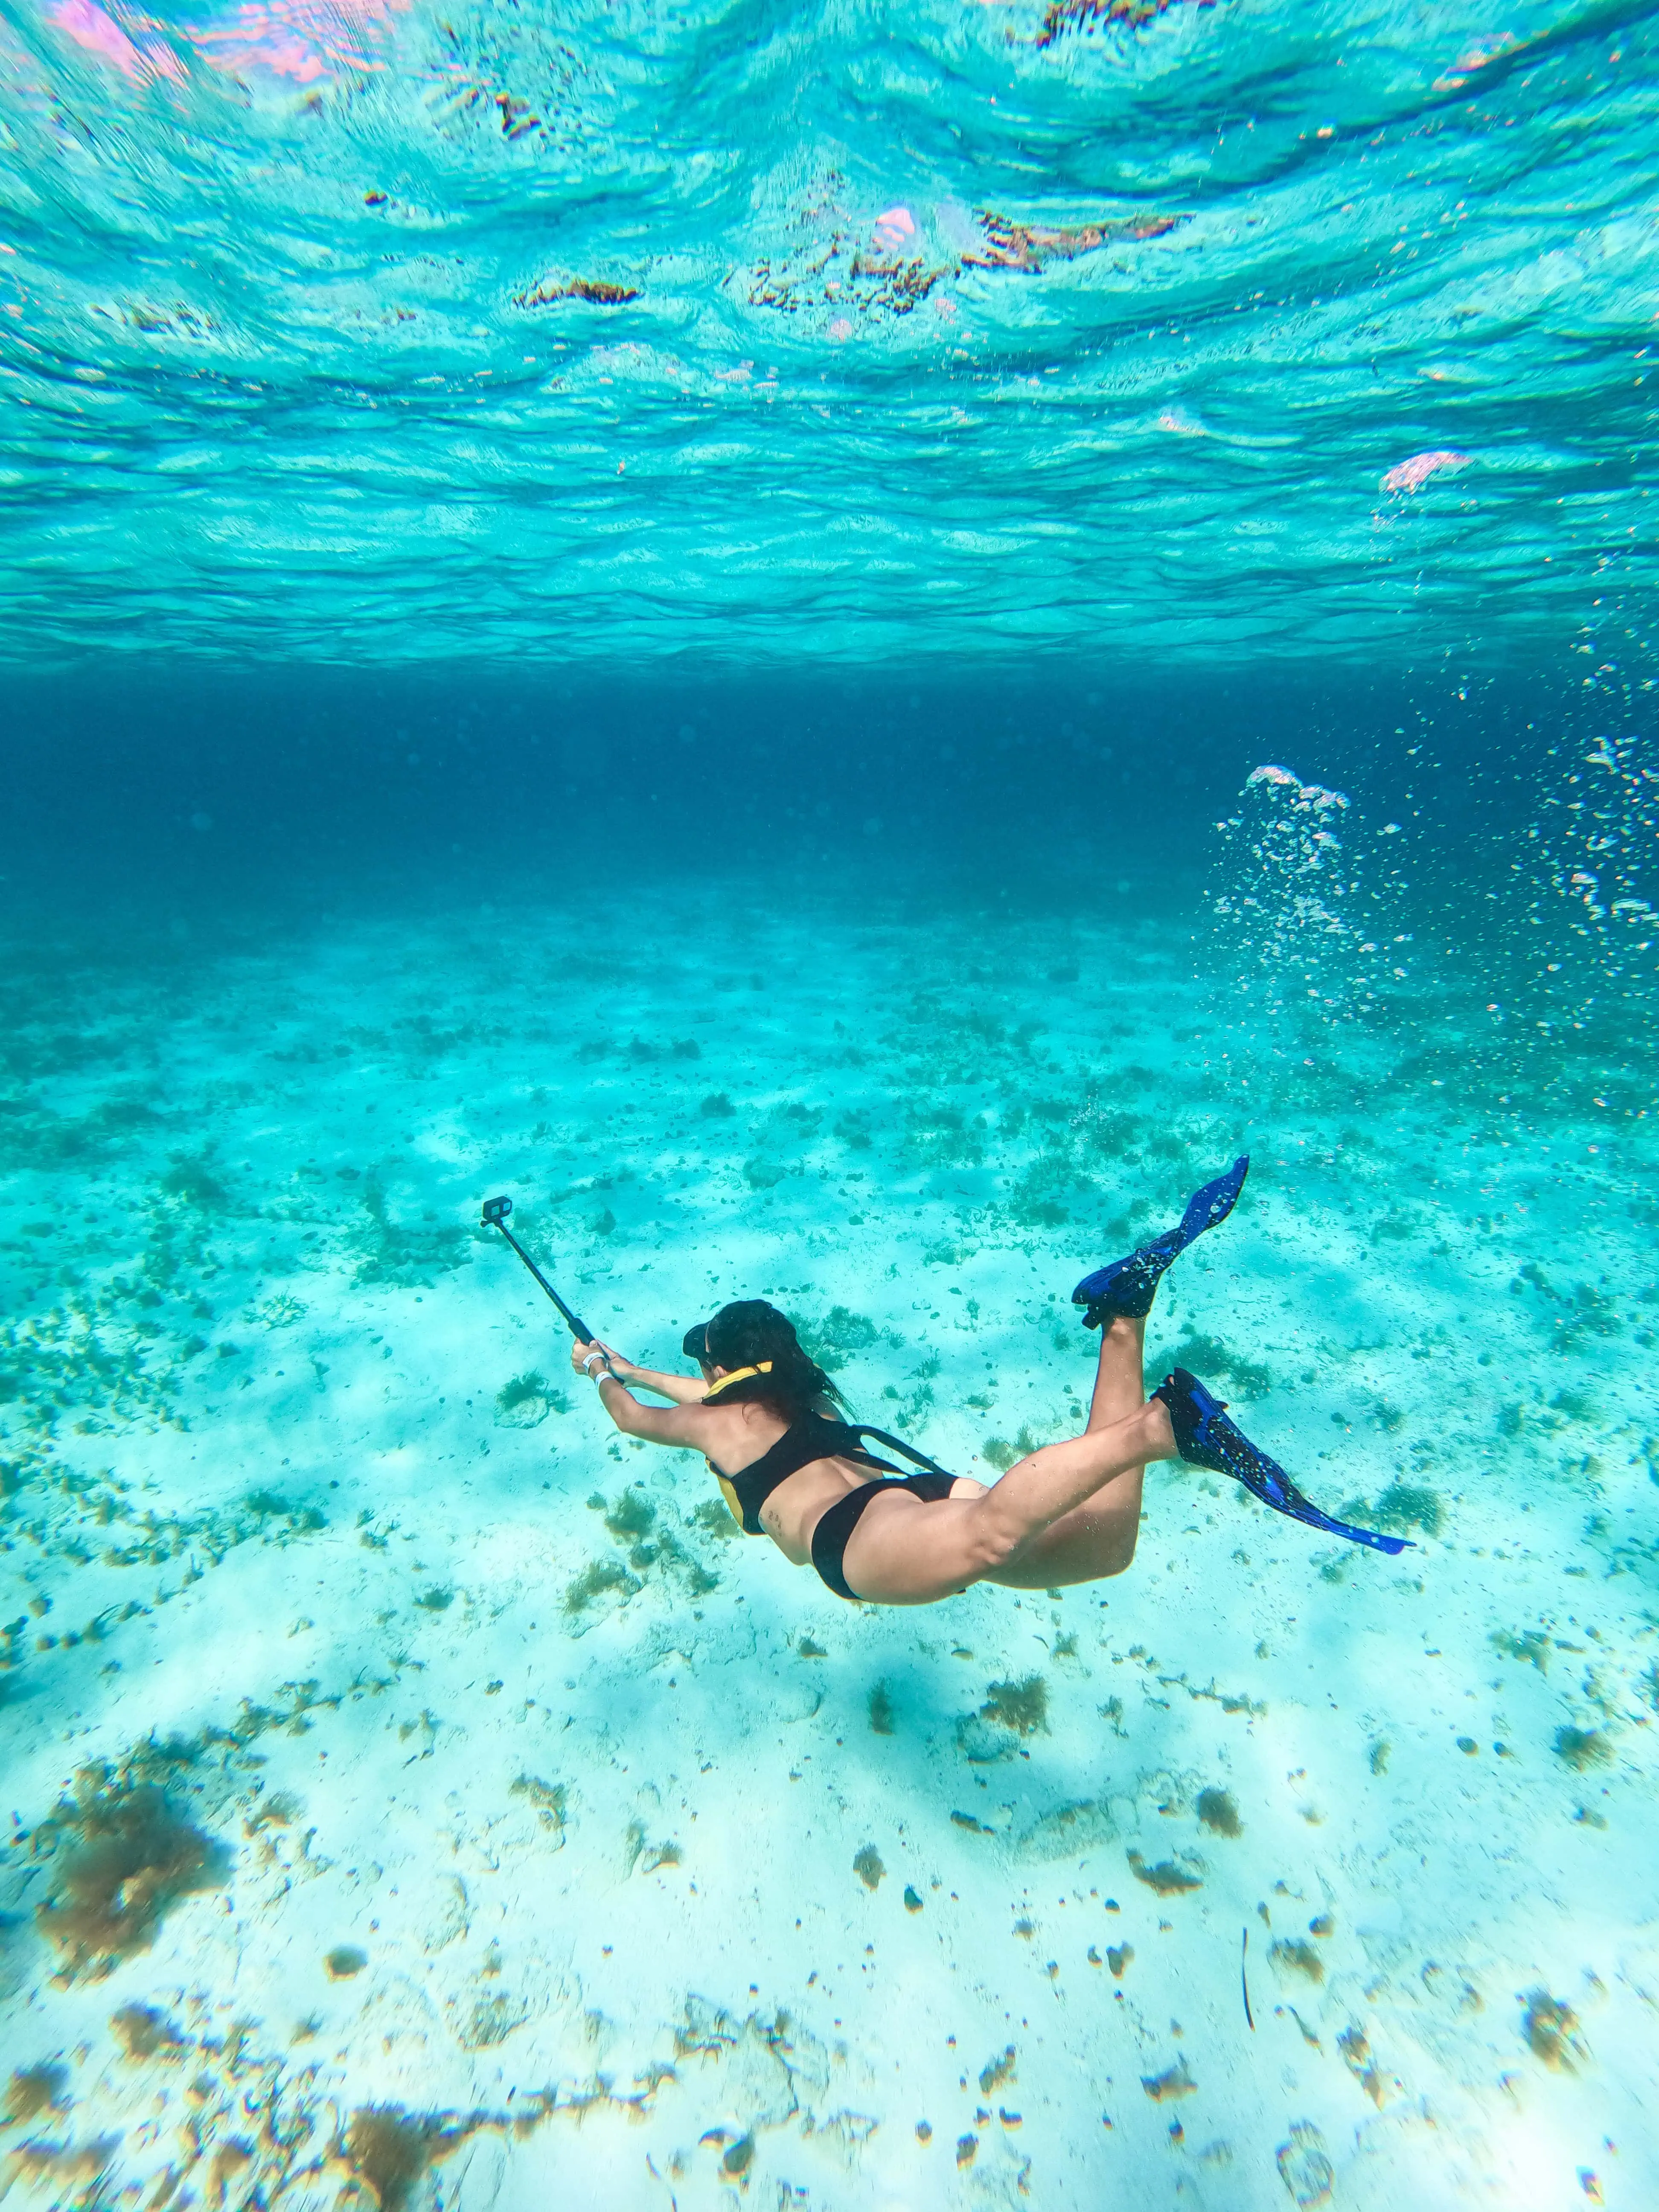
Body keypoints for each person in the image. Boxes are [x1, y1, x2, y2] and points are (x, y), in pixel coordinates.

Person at [568, 1158, 1406, 1608]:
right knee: (1102, 1550)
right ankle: (1124, 1317)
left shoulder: (716, 1422)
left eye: (703, 1366)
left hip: (856, 1543)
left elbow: (632, 1419)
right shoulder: (797, 1394)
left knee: (990, 1540)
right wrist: (633, 1366)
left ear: (720, 1369)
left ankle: (1163, 1428)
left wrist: (602, 1372)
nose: (700, 1381)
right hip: (907, 1497)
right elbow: (693, 1394)